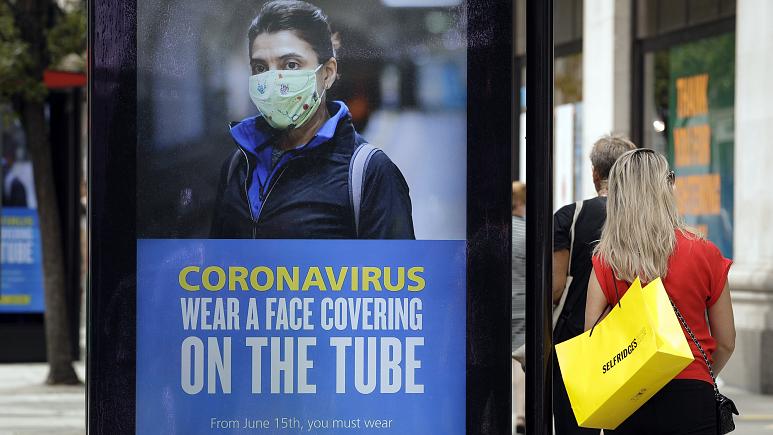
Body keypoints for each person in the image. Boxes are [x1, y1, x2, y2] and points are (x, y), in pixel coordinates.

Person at [210, 0, 414, 239]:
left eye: (291, 65)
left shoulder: (369, 173)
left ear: (327, 74)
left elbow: (395, 263)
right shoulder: (238, 165)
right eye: (260, 68)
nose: (274, 81)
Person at [585, 148, 735, 434]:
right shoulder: (705, 252)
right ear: (664, 188)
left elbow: (593, 338)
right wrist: (701, 375)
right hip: (692, 393)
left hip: (629, 395)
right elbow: (726, 341)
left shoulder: (607, 259)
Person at [552, 134, 636, 435]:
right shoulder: (640, 220)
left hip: (575, 341)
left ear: (594, 173)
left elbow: (555, 287)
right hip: (631, 343)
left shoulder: (570, 217)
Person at [511, 181, 526, 434]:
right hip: (523, 304)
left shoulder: (500, 231)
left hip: (503, 303)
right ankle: (522, 414)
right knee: (520, 359)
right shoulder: (526, 232)